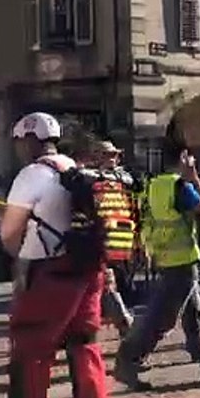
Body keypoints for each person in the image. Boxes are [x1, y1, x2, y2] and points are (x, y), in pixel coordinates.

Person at [0, 112, 110, 398]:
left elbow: (10, 234)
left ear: (28, 140)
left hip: (50, 272)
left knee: (30, 354)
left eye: (18, 142)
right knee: (84, 347)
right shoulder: (76, 169)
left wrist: (19, 261)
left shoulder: (32, 174)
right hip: (89, 271)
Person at [115, 140, 200, 391]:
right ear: (184, 157)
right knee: (163, 318)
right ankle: (128, 361)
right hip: (181, 260)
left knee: (194, 315)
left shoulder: (152, 185)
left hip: (164, 256)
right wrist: (194, 177)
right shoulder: (179, 185)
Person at [78, 140, 137, 339]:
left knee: (117, 286)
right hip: (103, 240)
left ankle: (127, 329)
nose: (112, 159)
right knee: (108, 285)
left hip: (124, 241)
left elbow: (130, 183)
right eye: (107, 155)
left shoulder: (123, 178)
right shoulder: (89, 179)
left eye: (114, 155)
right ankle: (127, 329)